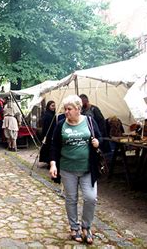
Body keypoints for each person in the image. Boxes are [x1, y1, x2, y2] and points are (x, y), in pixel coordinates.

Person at [49, 95, 102, 245]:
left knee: (91, 198)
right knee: (71, 199)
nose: (66, 111)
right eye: (65, 109)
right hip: (67, 169)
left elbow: (101, 138)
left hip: (87, 169)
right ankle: (74, 227)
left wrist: (98, 143)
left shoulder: (89, 121)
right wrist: (53, 164)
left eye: (69, 109)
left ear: (78, 109)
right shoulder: (60, 124)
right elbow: (54, 146)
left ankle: (86, 227)